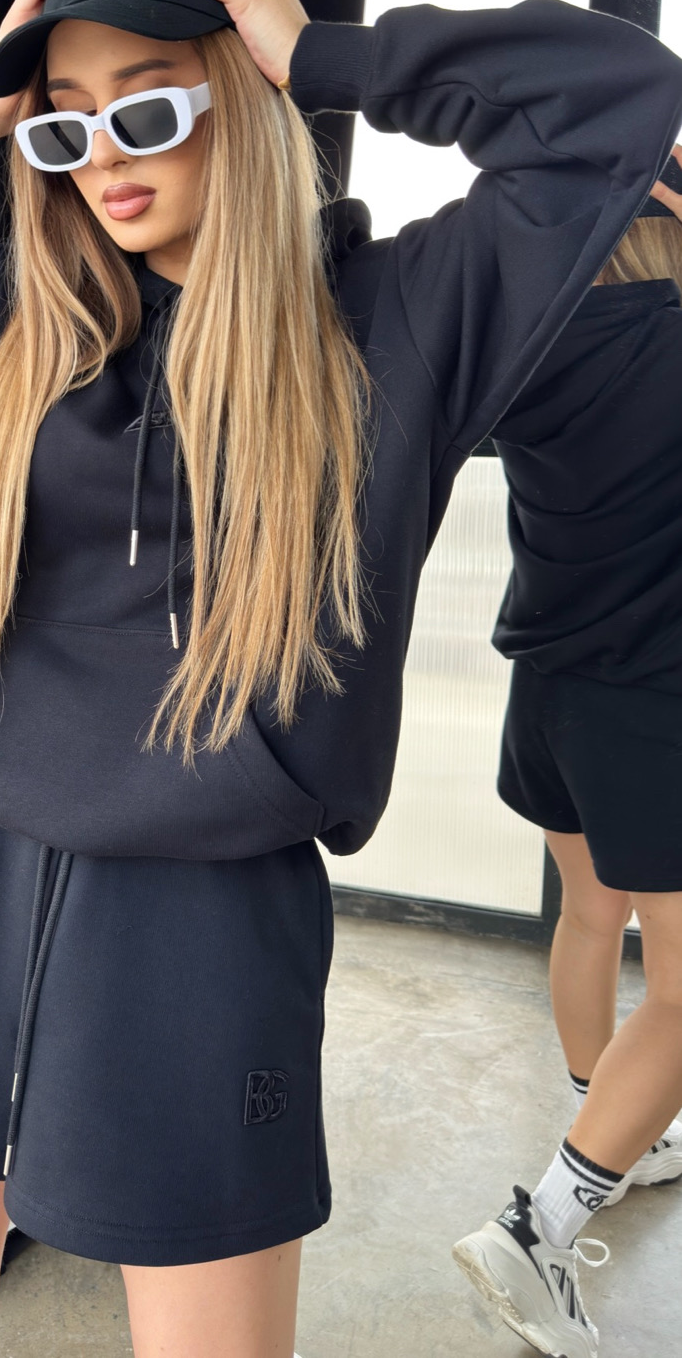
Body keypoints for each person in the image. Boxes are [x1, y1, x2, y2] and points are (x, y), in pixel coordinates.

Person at [0, 0, 682, 1358]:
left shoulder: (390, 328)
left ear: (238, 95)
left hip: (202, 933)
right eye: (66, 123)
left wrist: (327, 54)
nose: (103, 156)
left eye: (148, 105)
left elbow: (618, 100)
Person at [453, 146, 682, 1358]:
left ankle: (614, 1125)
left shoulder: (531, 343)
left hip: (550, 684)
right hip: (654, 702)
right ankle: (538, 1230)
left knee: (590, 916)